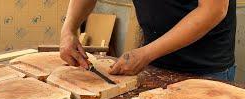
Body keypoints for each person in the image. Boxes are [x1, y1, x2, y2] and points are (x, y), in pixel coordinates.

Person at [60, 0, 237, 82]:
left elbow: (214, 9)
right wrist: (68, 29)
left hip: (204, 70)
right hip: (153, 64)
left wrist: (146, 53)